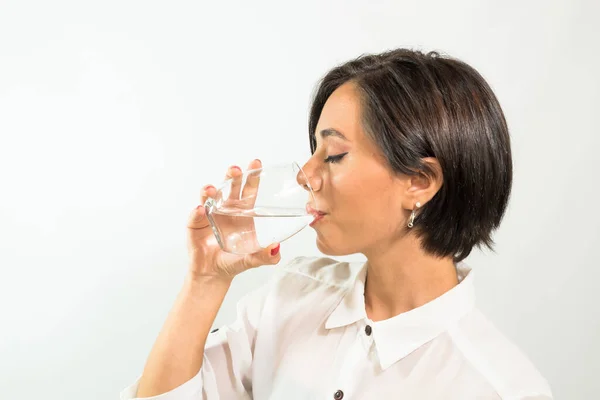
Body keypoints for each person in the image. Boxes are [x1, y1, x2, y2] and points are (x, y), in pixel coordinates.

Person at [122, 48, 553, 399]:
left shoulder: (498, 387)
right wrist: (206, 280)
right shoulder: (291, 297)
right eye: (313, 150)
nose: (305, 175)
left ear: (419, 182)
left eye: (333, 155)